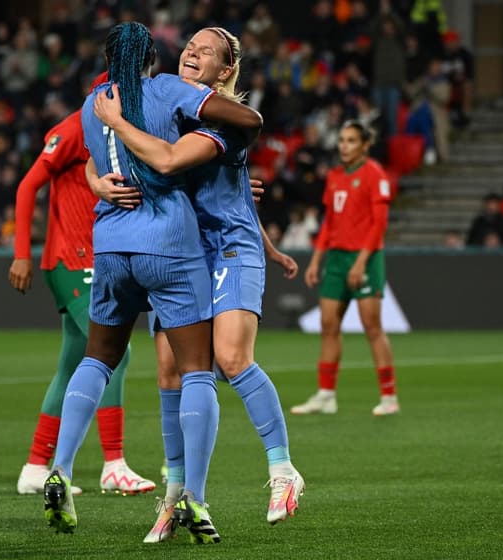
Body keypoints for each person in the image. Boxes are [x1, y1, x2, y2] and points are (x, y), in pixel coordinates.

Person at [41, 22, 262, 543]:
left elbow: (92, 166)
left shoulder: (95, 102)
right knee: (196, 371)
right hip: (168, 242)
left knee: (96, 359)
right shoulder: (166, 89)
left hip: (111, 244)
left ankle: (63, 468)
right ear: (152, 58)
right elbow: (237, 121)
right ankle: (195, 498)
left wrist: (98, 183)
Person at [90, 26, 304, 542]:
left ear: (225, 70)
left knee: (230, 359)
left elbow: (163, 161)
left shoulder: (221, 121)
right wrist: (96, 180)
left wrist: (117, 122)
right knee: (170, 371)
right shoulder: (172, 104)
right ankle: (178, 496)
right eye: (189, 46)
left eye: (206, 51)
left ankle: (282, 469)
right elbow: (110, 156)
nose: (191, 52)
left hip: (227, 247)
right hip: (183, 251)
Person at [8, 73, 155, 498]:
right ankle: (114, 463)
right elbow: (26, 187)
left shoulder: (121, 132)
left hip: (97, 259)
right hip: (72, 262)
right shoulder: (75, 127)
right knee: (116, 350)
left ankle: (36, 467)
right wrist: (22, 253)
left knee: (73, 363)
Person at [291, 121, 400, 416]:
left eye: (351, 140)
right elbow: (329, 222)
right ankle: (326, 396)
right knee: (328, 326)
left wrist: (361, 262)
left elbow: (379, 225)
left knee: (372, 327)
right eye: (341, 140)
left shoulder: (374, 174)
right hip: (336, 260)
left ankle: (389, 397)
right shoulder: (336, 176)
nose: (344, 146)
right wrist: (315, 260)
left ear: (365, 144)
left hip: (365, 258)